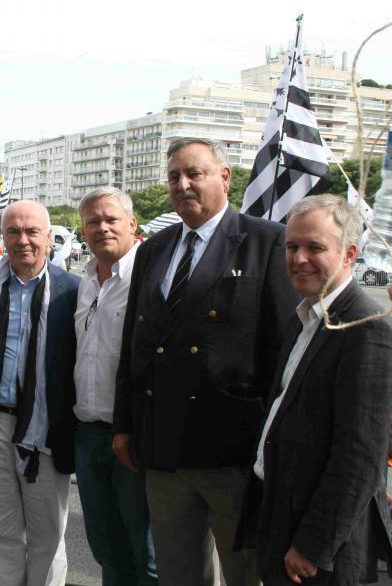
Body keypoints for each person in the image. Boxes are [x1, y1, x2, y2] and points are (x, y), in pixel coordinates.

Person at [113, 138, 298, 586]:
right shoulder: (155, 248)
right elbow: (136, 345)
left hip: (233, 450)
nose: (183, 184)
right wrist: (124, 424)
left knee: (243, 575)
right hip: (162, 447)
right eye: (174, 176)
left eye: (194, 173)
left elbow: (284, 352)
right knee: (178, 574)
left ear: (225, 177)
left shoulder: (266, 242)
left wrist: (276, 446)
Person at [240, 194, 392, 585]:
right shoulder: (304, 317)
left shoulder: (367, 330)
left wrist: (314, 544)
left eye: (315, 247)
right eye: (292, 246)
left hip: (317, 548)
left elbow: (359, 458)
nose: (299, 259)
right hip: (278, 512)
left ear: (349, 253)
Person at [0, 200, 80, 586]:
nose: (23, 240)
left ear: (49, 237)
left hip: (44, 430)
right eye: (13, 231)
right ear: (1, 237)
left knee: (47, 537)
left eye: (32, 232)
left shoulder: (72, 290)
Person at [75, 188, 157, 585]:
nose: (102, 228)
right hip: (89, 436)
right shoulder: (83, 283)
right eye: (93, 222)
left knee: (147, 556)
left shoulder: (151, 278)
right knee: (107, 549)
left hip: (134, 437)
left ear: (132, 224)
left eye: (110, 219)